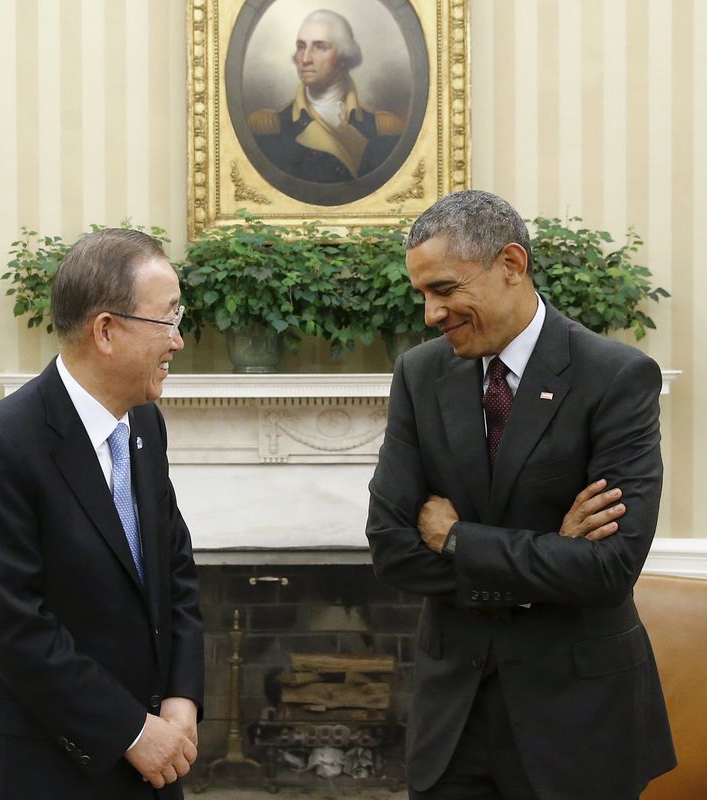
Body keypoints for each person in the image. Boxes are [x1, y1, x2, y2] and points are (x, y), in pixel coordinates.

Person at [366, 190, 676, 800]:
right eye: (422, 294)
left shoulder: (615, 377)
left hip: (578, 724)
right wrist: (551, 553)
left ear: (511, 265)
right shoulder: (420, 374)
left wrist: (456, 539)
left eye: (446, 289)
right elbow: (392, 548)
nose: (431, 313)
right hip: (453, 724)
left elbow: (610, 568)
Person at [0, 228, 204, 799]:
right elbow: (17, 626)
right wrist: (131, 730)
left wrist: (184, 697)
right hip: (46, 769)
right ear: (107, 331)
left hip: (153, 764)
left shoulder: (143, 426)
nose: (178, 341)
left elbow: (175, 572)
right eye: (167, 320)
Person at [248, 9, 404, 183]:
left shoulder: (383, 129)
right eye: (301, 46)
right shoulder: (269, 128)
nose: (305, 58)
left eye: (320, 47)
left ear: (344, 57)